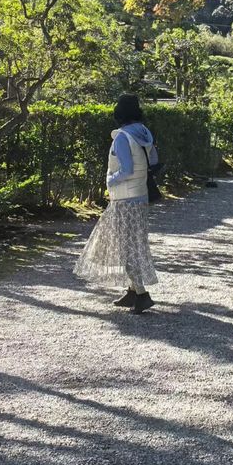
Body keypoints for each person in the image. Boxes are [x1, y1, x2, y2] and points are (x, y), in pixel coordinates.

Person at [74, 93, 158, 313]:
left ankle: (141, 294)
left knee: (125, 245)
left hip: (124, 198)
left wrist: (111, 178)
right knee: (135, 241)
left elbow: (126, 169)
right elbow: (155, 161)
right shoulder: (144, 133)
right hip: (140, 196)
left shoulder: (122, 137)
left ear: (119, 113)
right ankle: (132, 291)